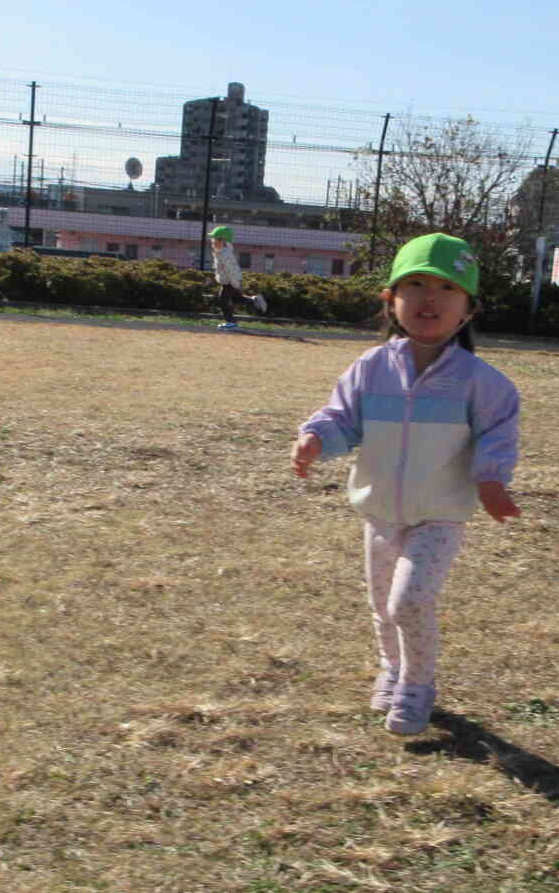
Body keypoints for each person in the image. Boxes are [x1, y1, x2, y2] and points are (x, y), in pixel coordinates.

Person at [291, 232, 521, 736]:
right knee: (381, 607)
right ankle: (391, 669)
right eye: (414, 284)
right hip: (380, 511)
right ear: (390, 299)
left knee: (408, 601)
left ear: (469, 309)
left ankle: (418, 685)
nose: (429, 298)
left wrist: (491, 480)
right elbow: (341, 418)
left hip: (439, 514)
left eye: (446, 287)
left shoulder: (481, 382)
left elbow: (499, 431)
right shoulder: (371, 369)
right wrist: (315, 438)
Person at [208, 224, 266, 330]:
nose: (212, 241)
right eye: (212, 238)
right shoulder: (221, 252)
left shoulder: (225, 255)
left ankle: (231, 322)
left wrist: (235, 284)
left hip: (230, 281)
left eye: (215, 239)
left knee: (223, 301)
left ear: (223, 241)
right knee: (238, 298)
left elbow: (232, 271)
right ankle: (254, 300)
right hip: (229, 281)